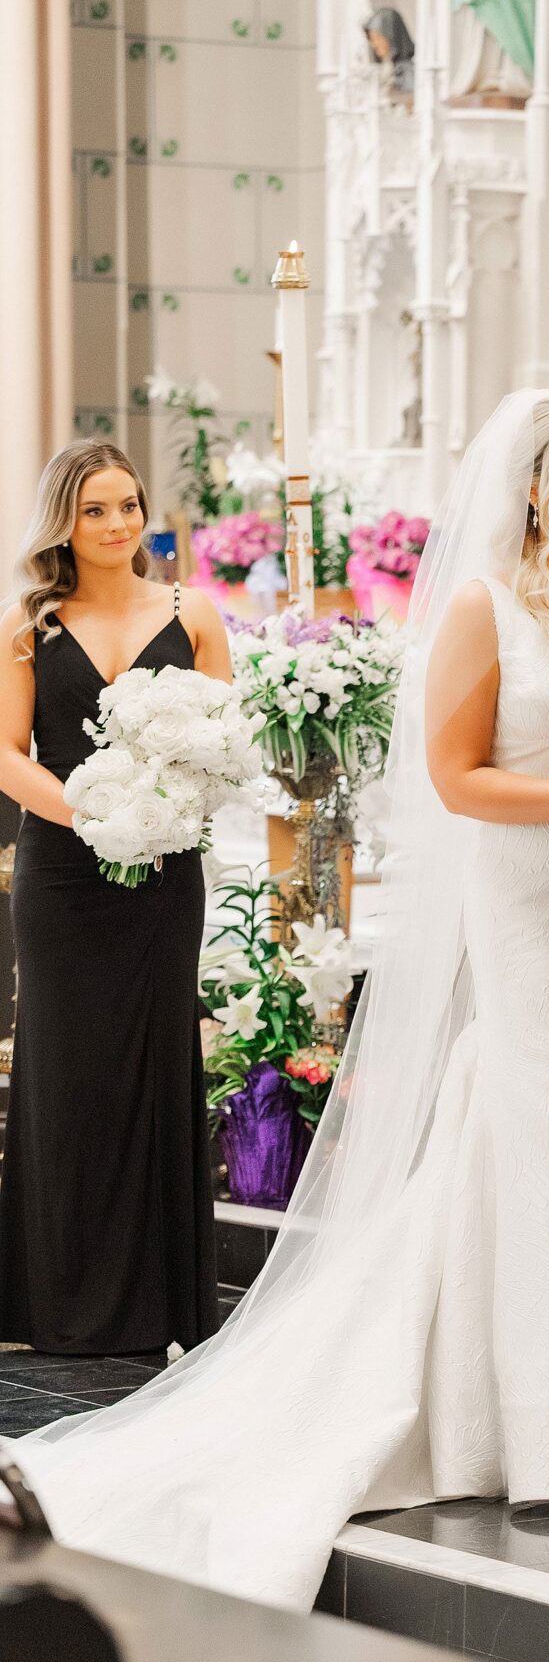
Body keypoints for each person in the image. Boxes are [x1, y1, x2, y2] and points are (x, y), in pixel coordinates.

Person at [2, 394, 549, 1611]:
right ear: (535, 487)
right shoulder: (485, 606)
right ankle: (530, 1415)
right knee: (545, 1130)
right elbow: (454, 771)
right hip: (531, 908)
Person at [0, 443, 231, 1358]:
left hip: (164, 878)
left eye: (128, 505)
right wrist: (92, 813)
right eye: (96, 510)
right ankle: (55, 1301)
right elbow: (9, 752)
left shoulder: (194, 612)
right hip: (62, 874)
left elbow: (224, 742)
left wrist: (160, 814)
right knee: (66, 1077)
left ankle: (156, 1304)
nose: (118, 524)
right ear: (65, 519)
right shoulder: (30, 623)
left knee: (153, 1065)